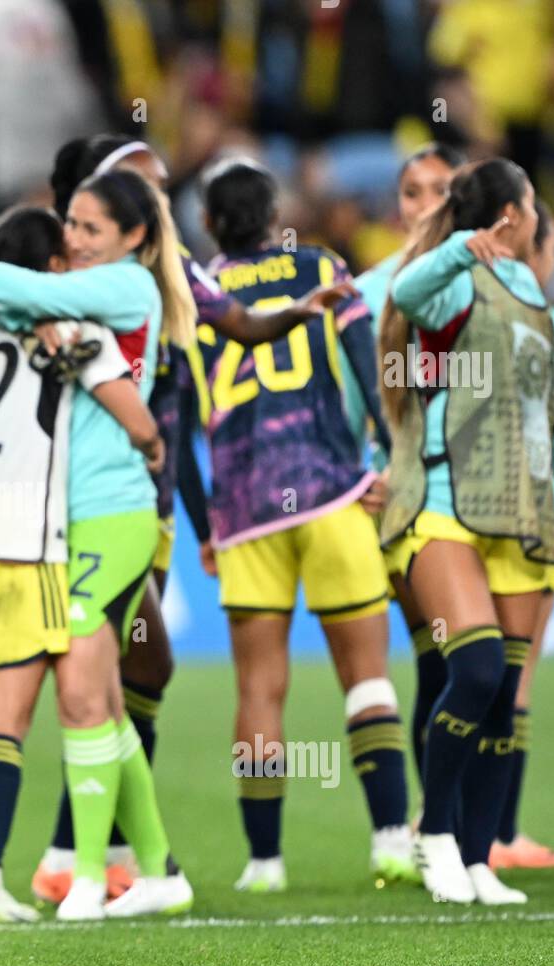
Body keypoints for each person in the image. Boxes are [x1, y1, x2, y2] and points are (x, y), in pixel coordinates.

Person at [27, 134, 356, 904]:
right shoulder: (70, 281)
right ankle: (82, 857)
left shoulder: (173, 281)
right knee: (105, 673)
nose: (160, 194)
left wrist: (294, 314)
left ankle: (114, 857)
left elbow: (239, 324)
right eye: (144, 183)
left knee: (131, 669)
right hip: (85, 500)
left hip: (152, 506)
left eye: (164, 184)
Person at [0, 168, 196, 919]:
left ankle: (85, 879)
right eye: (69, 227)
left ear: (134, 238)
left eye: (88, 228)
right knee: (103, 701)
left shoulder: (124, 291)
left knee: (81, 695)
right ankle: (159, 871)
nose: (75, 240)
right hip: (53, 519)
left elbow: (22, 292)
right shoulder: (61, 307)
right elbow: (10, 297)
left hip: (109, 511)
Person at [192, 158, 411, 893]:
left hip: (246, 509)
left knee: (260, 687)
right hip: (332, 491)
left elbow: (177, 407)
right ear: (274, 211)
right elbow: (365, 357)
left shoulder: (197, 290)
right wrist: (385, 452)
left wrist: (204, 521)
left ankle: (264, 861)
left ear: (212, 222)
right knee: (366, 675)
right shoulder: (317, 265)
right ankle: (388, 840)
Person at [379, 157, 554, 905]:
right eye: (531, 200)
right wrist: (461, 246)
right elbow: (406, 292)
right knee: (475, 669)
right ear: (514, 215)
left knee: (503, 700)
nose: (536, 211)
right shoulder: (459, 277)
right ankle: (433, 833)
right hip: (445, 498)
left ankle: (477, 859)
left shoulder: (542, 302)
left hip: (523, 513)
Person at [356, 144, 466, 801]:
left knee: (489, 664)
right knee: (442, 657)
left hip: (485, 495)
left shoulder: (486, 282)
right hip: (409, 497)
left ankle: (487, 830)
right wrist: (364, 469)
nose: (423, 205)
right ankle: (442, 825)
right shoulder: (372, 291)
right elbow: (345, 396)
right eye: (411, 191)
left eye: (439, 190)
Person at [487, 199, 554, 871]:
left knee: (466, 668)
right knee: (515, 679)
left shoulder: (473, 307)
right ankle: (499, 833)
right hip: (537, 513)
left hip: (468, 506)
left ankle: (443, 819)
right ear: (543, 252)